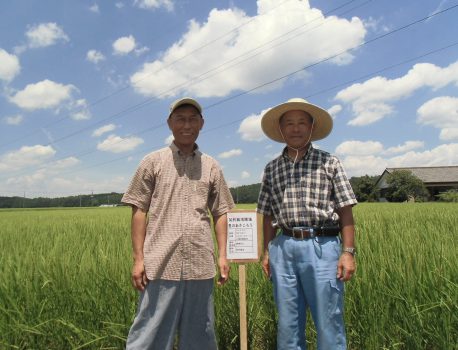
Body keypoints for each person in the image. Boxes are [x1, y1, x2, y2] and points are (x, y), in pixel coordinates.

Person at [121, 97, 235, 350]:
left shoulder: (211, 166)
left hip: (200, 261)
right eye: (180, 119)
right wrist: (139, 259)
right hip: (160, 261)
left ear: (202, 124)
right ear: (169, 123)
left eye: (193, 119)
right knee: (150, 330)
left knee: (201, 331)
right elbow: (139, 210)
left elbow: (221, 212)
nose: (187, 125)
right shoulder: (153, 161)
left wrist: (223, 255)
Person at [257, 98, 358, 350]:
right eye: (289, 123)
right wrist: (266, 251)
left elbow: (345, 211)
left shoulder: (330, 163)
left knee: (329, 319)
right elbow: (267, 215)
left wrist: (348, 252)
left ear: (312, 127)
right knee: (288, 322)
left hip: (322, 246)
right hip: (283, 247)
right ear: (280, 130)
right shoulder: (272, 168)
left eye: (302, 122)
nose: (295, 128)